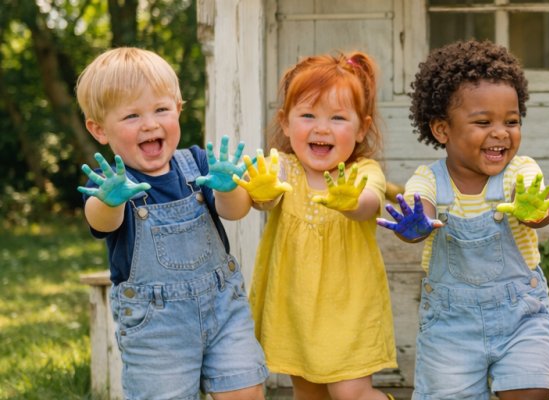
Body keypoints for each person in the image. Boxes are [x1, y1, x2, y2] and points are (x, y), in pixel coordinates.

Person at [76, 47, 267, 399]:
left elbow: (235, 212)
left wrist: (229, 189)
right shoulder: (110, 185)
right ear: (99, 129)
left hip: (224, 310)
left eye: (161, 110)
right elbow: (101, 221)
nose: (150, 123)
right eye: (132, 115)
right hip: (156, 329)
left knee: (246, 391)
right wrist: (110, 201)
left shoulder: (196, 163)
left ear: (178, 109)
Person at [376, 40, 549, 400]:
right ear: (442, 130)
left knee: (531, 388)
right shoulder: (429, 179)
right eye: (483, 122)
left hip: (520, 314)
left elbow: (540, 209)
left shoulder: (519, 171)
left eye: (511, 121)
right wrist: (417, 223)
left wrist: (535, 208)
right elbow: (421, 206)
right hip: (450, 328)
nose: (501, 132)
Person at [240, 51, 397, 400]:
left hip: (350, 306)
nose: (321, 128)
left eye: (338, 118)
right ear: (285, 122)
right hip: (295, 307)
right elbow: (266, 199)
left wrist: (351, 201)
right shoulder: (284, 166)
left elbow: (369, 202)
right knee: (308, 393)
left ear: (362, 129)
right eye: (308, 115)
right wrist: (260, 192)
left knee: (350, 392)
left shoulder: (362, 172)